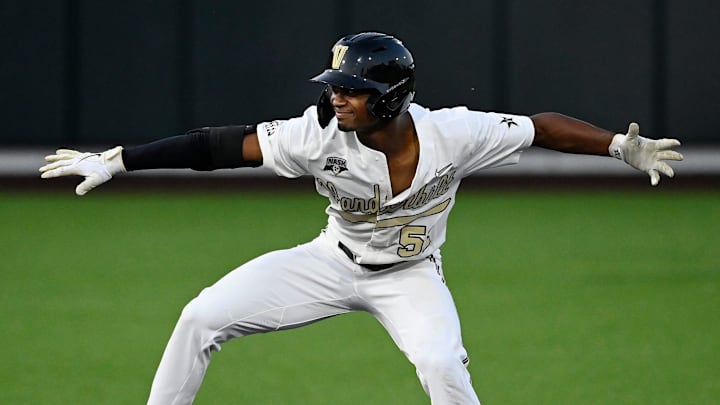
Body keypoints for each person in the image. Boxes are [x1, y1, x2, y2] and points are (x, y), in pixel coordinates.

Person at [39, 32, 683, 405]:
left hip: (410, 276)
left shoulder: (454, 133)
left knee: (442, 366)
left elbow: (541, 128)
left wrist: (619, 147)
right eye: (334, 85)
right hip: (329, 262)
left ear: (392, 98)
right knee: (200, 316)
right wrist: (121, 161)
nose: (336, 96)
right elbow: (215, 147)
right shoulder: (313, 135)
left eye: (351, 88)